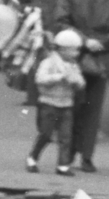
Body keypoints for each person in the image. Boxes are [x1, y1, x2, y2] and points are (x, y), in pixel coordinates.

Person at [53, 0, 109, 171]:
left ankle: (87, 155)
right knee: (71, 105)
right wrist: (82, 39)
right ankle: (67, 153)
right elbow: (60, 21)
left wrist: (105, 41)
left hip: (104, 56)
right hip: (74, 55)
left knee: (94, 107)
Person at [28, 28, 86, 176]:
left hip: (66, 104)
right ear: (62, 50)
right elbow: (40, 79)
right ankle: (33, 158)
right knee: (46, 134)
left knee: (66, 137)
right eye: (73, 51)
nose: (76, 54)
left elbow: (81, 82)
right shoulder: (48, 62)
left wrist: (75, 82)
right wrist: (59, 77)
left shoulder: (73, 65)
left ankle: (63, 165)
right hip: (49, 102)